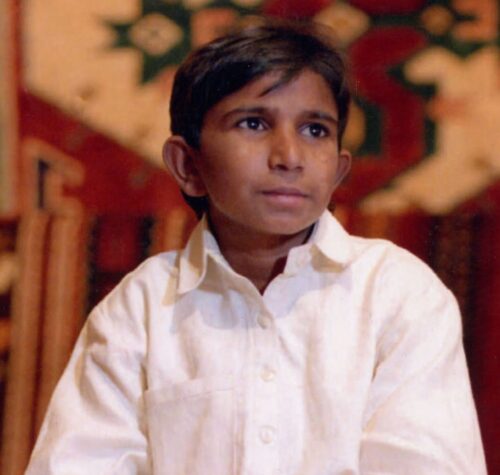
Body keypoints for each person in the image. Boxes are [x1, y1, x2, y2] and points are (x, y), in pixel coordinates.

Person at [26, 18, 486, 474]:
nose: (289, 156)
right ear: (188, 165)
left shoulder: (399, 294)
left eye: (315, 130)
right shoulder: (141, 308)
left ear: (339, 170)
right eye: (253, 123)